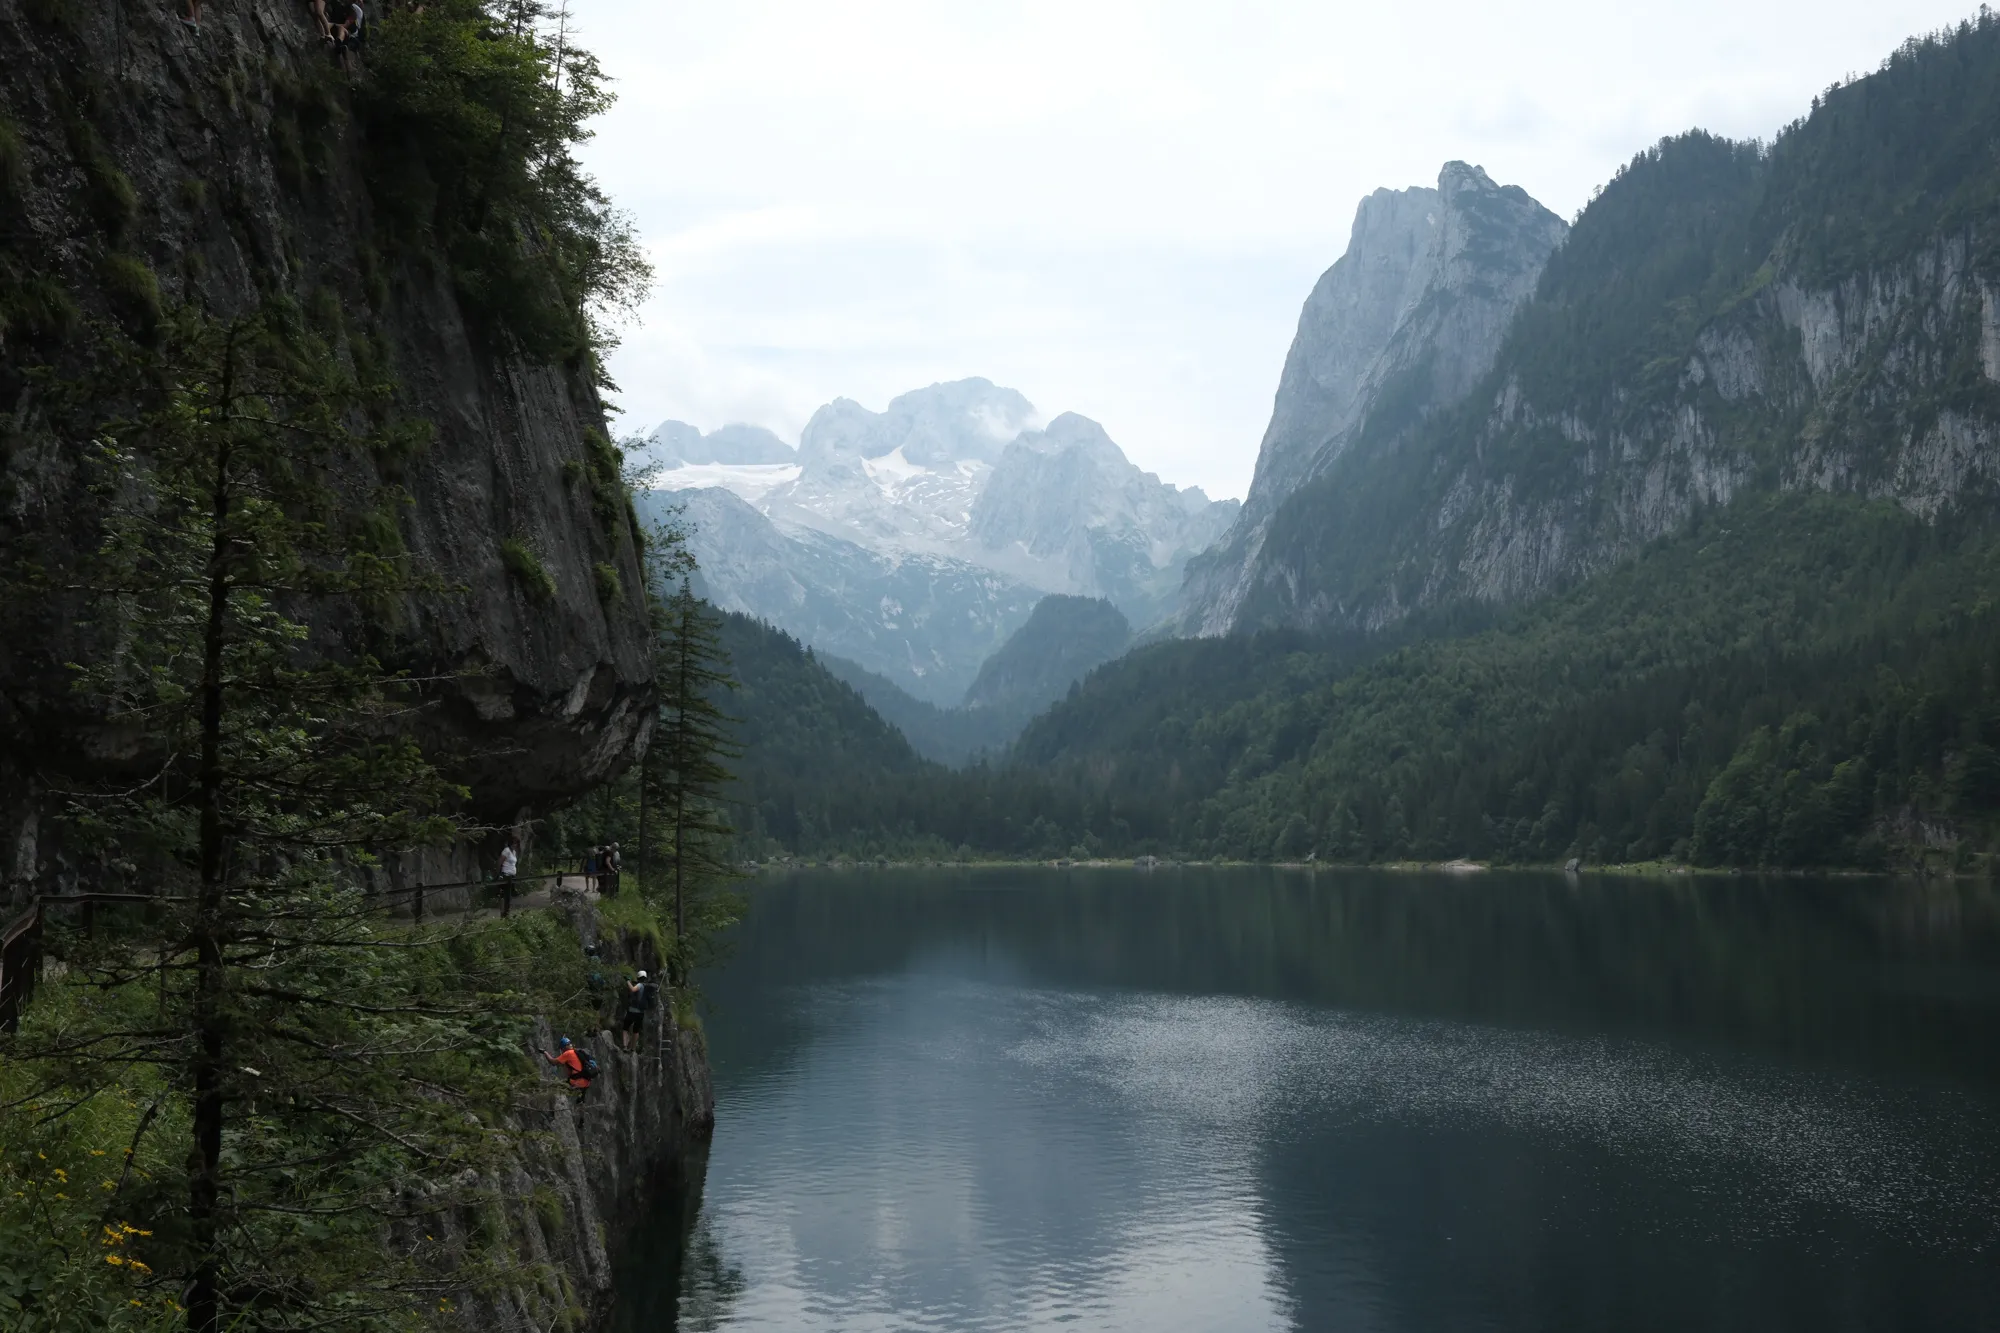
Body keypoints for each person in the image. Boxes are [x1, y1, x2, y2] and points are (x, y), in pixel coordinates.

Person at [619, 970, 654, 1052]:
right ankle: (633, 1048)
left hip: (632, 1011)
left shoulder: (640, 985)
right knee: (636, 1030)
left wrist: (627, 981)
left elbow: (633, 989)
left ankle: (625, 1046)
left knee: (625, 1028)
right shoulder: (646, 987)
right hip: (641, 1013)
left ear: (638, 977)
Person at [498, 838, 518, 917]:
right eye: (514, 843)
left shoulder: (514, 852)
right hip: (506, 875)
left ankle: (507, 911)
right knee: (505, 895)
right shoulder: (506, 851)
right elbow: (500, 862)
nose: (515, 845)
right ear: (511, 844)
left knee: (510, 895)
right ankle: (504, 913)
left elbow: (513, 864)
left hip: (512, 875)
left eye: (516, 844)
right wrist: (499, 873)